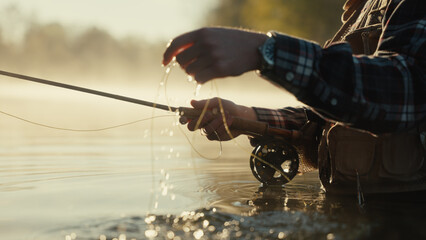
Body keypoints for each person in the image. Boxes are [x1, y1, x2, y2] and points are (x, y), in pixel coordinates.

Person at [162, 0, 426, 195]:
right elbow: (336, 119)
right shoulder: (361, 10)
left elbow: (407, 91)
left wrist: (265, 51)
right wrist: (246, 117)